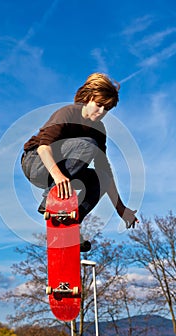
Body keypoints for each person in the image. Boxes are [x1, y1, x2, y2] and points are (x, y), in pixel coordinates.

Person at [21, 73, 138, 251]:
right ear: (88, 98)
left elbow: (104, 169)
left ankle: (72, 223)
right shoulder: (67, 113)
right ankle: (52, 201)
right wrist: (58, 178)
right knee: (88, 144)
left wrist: (120, 209)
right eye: (98, 105)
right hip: (36, 163)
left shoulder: (99, 130)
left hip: (62, 171)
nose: (101, 112)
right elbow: (43, 148)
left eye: (106, 109)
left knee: (103, 177)